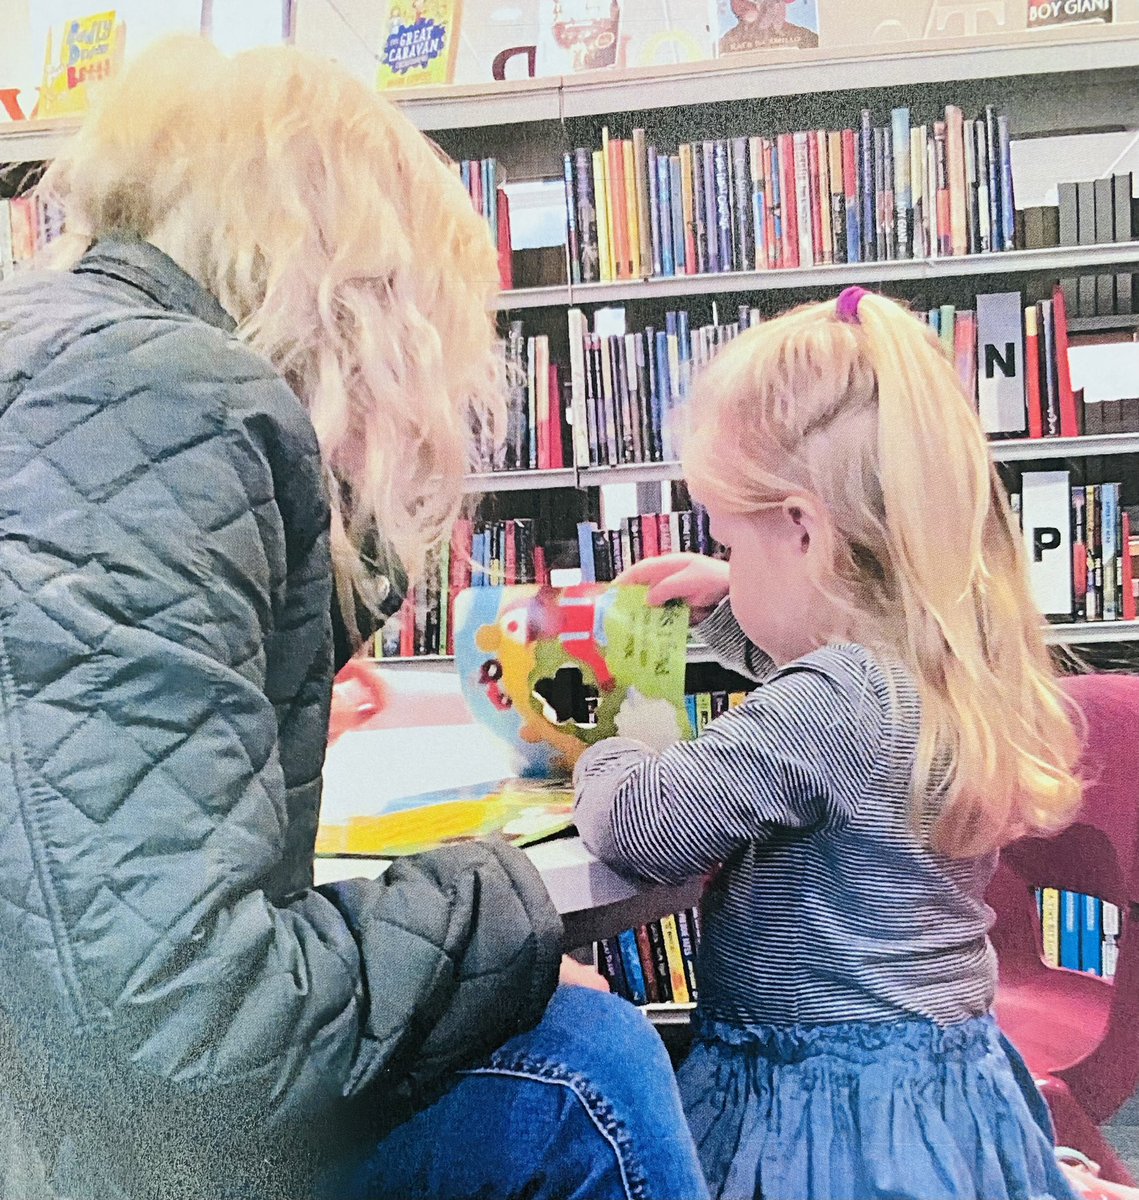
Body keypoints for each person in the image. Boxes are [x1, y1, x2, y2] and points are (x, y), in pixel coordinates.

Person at [0, 36, 707, 1200]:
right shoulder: (161, 393)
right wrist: (509, 924)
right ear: (359, 287)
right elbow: (198, 1022)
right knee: (590, 1068)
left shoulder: (56, 349)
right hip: (82, 1147)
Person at [574, 287, 1085, 1200]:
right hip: (943, 1094)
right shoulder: (946, 663)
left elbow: (644, 827)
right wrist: (730, 596)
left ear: (805, 530)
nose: (723, 555)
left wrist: (612, 731)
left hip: (816, 1118)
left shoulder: (831, 703)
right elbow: (801, 662)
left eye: (727, 534)